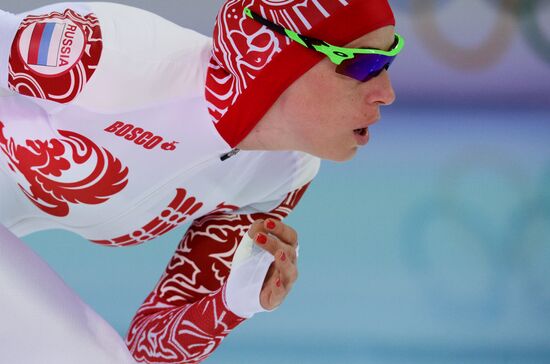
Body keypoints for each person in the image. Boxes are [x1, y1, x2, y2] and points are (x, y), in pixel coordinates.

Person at [0, 0, 401, 362]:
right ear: (280, 58)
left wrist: (231, 304)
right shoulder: (109, 55)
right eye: (362, 65)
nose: (386, 93)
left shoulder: (284, 172)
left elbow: (148, 348)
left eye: (389, 63)